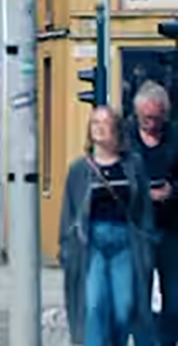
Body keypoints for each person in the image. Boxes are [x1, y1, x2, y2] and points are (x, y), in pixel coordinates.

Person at [60, 106, 156, 346]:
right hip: (92, 242)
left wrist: (147, 240)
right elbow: (69, 213)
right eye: (94, 123)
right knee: (94, 305)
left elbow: (144, 206)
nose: (99, 128)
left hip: (125, 241)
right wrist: (66, 247)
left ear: (116, 129)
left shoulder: (133, 165)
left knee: (124, 307)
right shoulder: (79, 170)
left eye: (105, 122)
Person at [127, 80, 178, 346]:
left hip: (171, 226)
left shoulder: (175, 137)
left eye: (157, 118)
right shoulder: (125, 139)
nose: (152, 123)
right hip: (138, 229)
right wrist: (143, 193)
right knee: (139, 297)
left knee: (175, 299)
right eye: (147, 118)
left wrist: (172, 191)